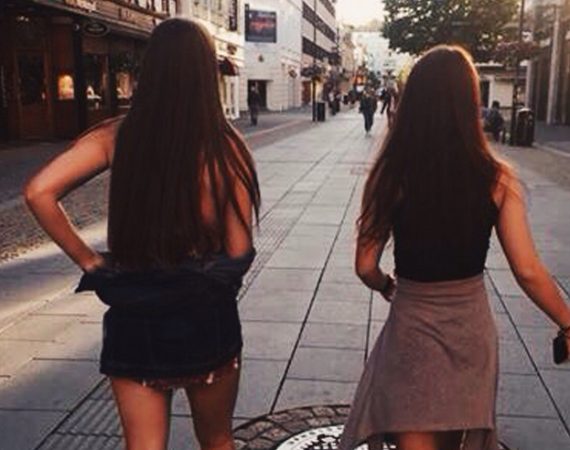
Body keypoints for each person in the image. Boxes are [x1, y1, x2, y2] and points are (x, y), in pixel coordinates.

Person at [25, 19, 260, 450]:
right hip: (205, 318)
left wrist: (90, 261)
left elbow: (39, 191)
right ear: (205, 73)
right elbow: (239, 250)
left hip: (135, 317)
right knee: (218, 441)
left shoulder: (116, 136)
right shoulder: (226, 147)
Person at [339, 45, 570, 450]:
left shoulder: (391, 174)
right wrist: (567, 321)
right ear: (469, 103)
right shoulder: (497, 177)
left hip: (412, 328)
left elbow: (364, 265)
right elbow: (528, 270)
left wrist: (387, 285)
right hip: (470, 332)